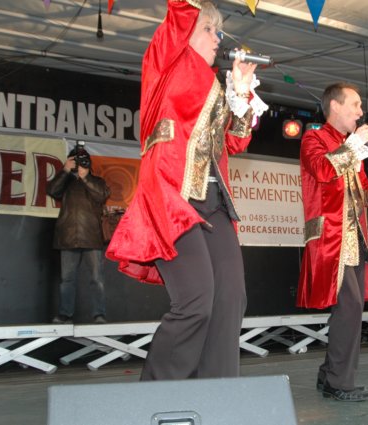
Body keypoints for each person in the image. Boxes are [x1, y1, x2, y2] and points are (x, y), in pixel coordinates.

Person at [105, 0, 267, 381]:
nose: (218, 38)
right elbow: (181, 9)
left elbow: (235, 142)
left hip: (215, 203)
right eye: (209, 29)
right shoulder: (166, 62)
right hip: (173, 198)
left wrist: (241, 92)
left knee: (231, 298)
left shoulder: (215, 85)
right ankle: (156, 393)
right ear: (186, 31)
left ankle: (217, 391)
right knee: (196, 299)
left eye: (218, 30)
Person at [297, 82, 368, 402]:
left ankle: (330, 373)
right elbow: (322, 170)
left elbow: (366, 197)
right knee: (348, 306)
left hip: (355, 236)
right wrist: (354, 145)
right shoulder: (314, 138)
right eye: (355, 105)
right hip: (331, 236)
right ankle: (337, 381)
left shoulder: (351, 146)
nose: (361, 112)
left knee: (352, 307)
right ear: (335, 106)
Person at [47, 144, 111, 324]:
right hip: (68, 236)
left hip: (92, 236)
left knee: (97, 279)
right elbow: (52, 191)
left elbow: (102, 195)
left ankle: (99, 314)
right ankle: (65, 314)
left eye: (83, 162)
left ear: (89, 164)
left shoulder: (97, 181)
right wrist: (65, 170)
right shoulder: (65, 181)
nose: (80, 164)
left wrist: (85, 177)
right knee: (67, 279)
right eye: (76, 161)